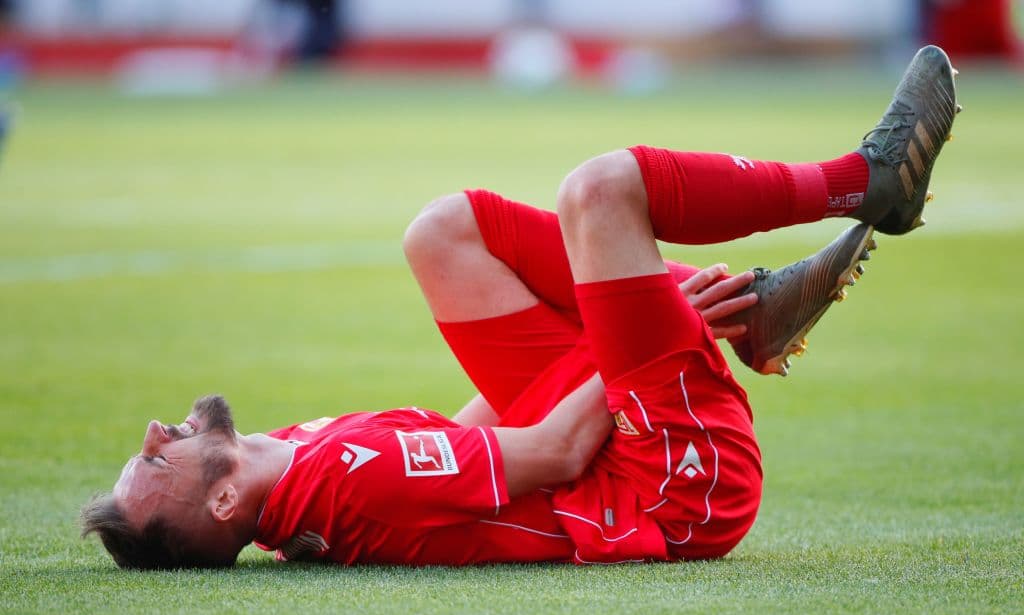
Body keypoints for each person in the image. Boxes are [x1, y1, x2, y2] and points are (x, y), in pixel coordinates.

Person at [81, 45, 959, 569]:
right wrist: (670, 315)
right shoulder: (341, 487)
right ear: (225, 500)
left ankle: (751, 306)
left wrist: (647, 311)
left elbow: (479, 439)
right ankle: (865, 186)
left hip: (622, 449)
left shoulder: (293, 466)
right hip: (669, 489)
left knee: (440, 235)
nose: (158, 431)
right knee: (603, 193)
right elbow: (554, 448)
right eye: (157, 465)